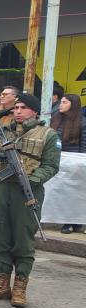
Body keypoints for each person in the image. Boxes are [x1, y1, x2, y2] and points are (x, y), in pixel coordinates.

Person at [0, 93, 60, 308]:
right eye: (16, 107)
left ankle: (20, 285)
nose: (18, 111)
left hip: (27, 191)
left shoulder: (48, 135)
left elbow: (51, 166)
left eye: (23, 107)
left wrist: (31, 179)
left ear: (35, 111)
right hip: (1, 187)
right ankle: (2, 283)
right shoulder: (4, 129)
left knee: (23, 238)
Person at [50, 94, 86, 234]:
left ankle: (73, 222)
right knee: (62, 192)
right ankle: (67, 220)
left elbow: (84, 145)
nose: (61, 104)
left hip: (74, 162)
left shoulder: (82, 122)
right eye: (61, 102)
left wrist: (80, 163)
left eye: (65, 102)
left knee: (74, 193)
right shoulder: (56, 119)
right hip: (58, 160)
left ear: (73, 104)